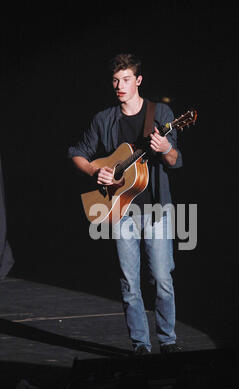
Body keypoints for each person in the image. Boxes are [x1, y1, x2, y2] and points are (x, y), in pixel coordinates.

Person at [68, 53, 183, 355]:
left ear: (139, 80)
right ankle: (140, 346)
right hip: (121, 210)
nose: (120, 85)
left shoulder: (161, 114)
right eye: (116, 80)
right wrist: (96, 169)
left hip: (156, 208)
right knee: (130, 283)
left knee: (161, 277)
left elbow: (175, 161)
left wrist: (167, 148)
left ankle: (168, 341)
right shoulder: (104, 119)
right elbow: (77, 153)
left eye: (126, 79)